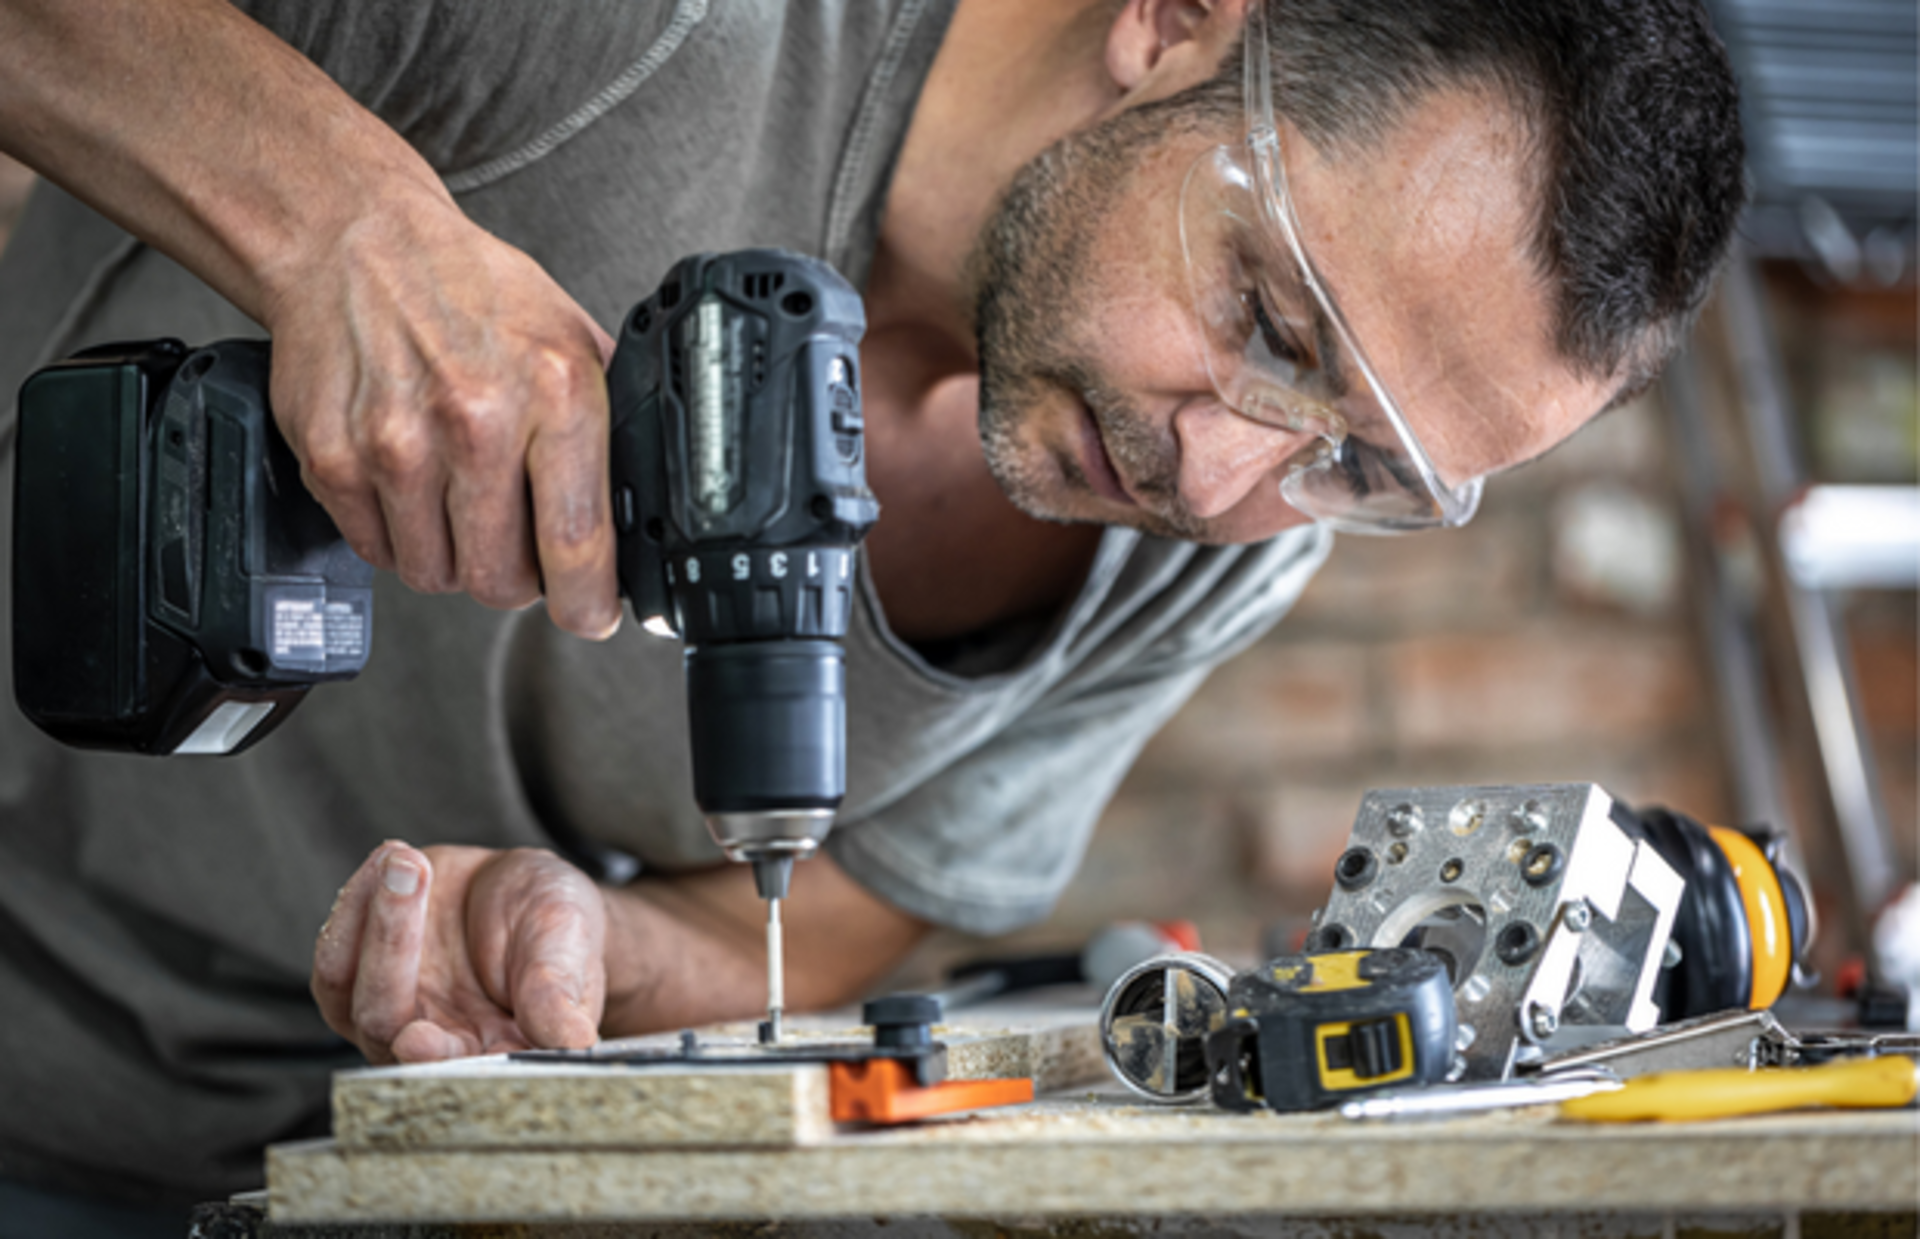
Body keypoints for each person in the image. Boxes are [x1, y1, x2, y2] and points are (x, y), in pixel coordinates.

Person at [0, 0, 1743, 1228]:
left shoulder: (1240, 530)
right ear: (1178, 14)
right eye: (1277, 327)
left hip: (307, 1166)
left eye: (1358, 462)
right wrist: (348, 233)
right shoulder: (664, 36)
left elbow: (838, 914)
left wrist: (581, 951)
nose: (1222, 486)